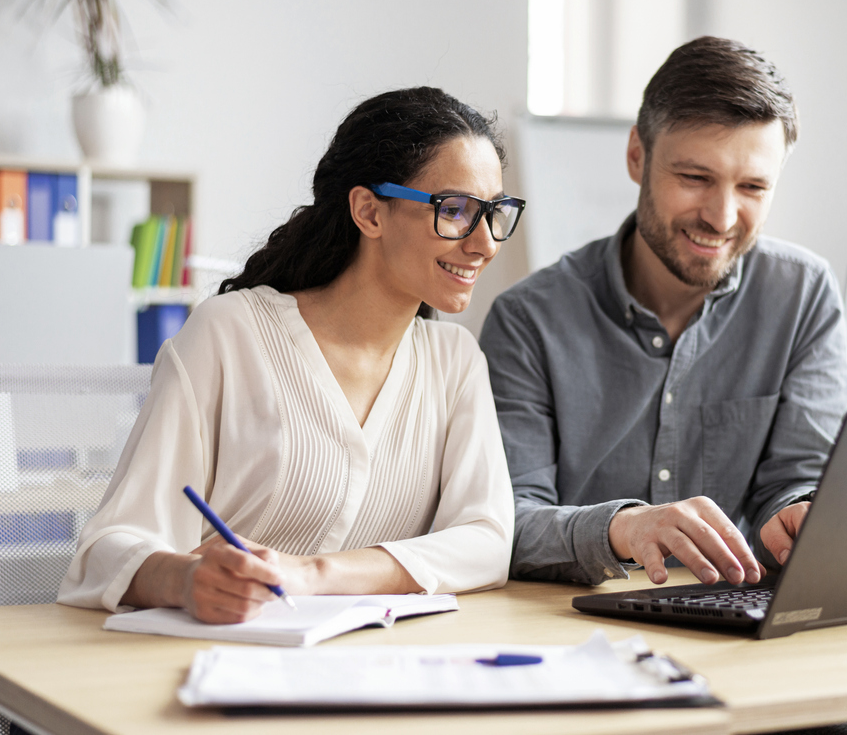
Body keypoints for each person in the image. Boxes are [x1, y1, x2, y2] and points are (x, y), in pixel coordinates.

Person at [59, 87, 522, 624]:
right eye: (456, 210)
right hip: (212, 661)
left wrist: (314, 576)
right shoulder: (229, 333)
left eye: (495, 213)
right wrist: (185, 580)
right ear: (368, 212)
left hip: (369, 673)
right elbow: (105, 549)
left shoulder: (454, 360)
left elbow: (487, 540)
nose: (485, 243)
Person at [480, 36, 847, 590]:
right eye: (695, 178)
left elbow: (797, 476)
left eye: (752, 187)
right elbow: (507, 524)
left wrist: (798, 512)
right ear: (637, 155)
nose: (722, 217)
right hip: (576, 633)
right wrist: (623, 529)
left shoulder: (803, 295)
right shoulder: (529, 320)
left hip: (741, 624)